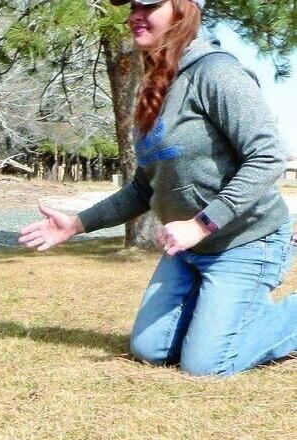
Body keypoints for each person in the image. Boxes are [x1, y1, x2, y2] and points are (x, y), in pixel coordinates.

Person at [18, 0, 296, 376]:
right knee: (151, 348)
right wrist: (77, 224)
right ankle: (219, 311)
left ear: (184, 9)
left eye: (149, 5)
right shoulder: (155, 89)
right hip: (186, 250)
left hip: (246, 241)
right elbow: (142, 190)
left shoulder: (217, 72)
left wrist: (201, 224)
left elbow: (267, 157)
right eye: (132, 5)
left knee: (207, 364)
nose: (136, 14)